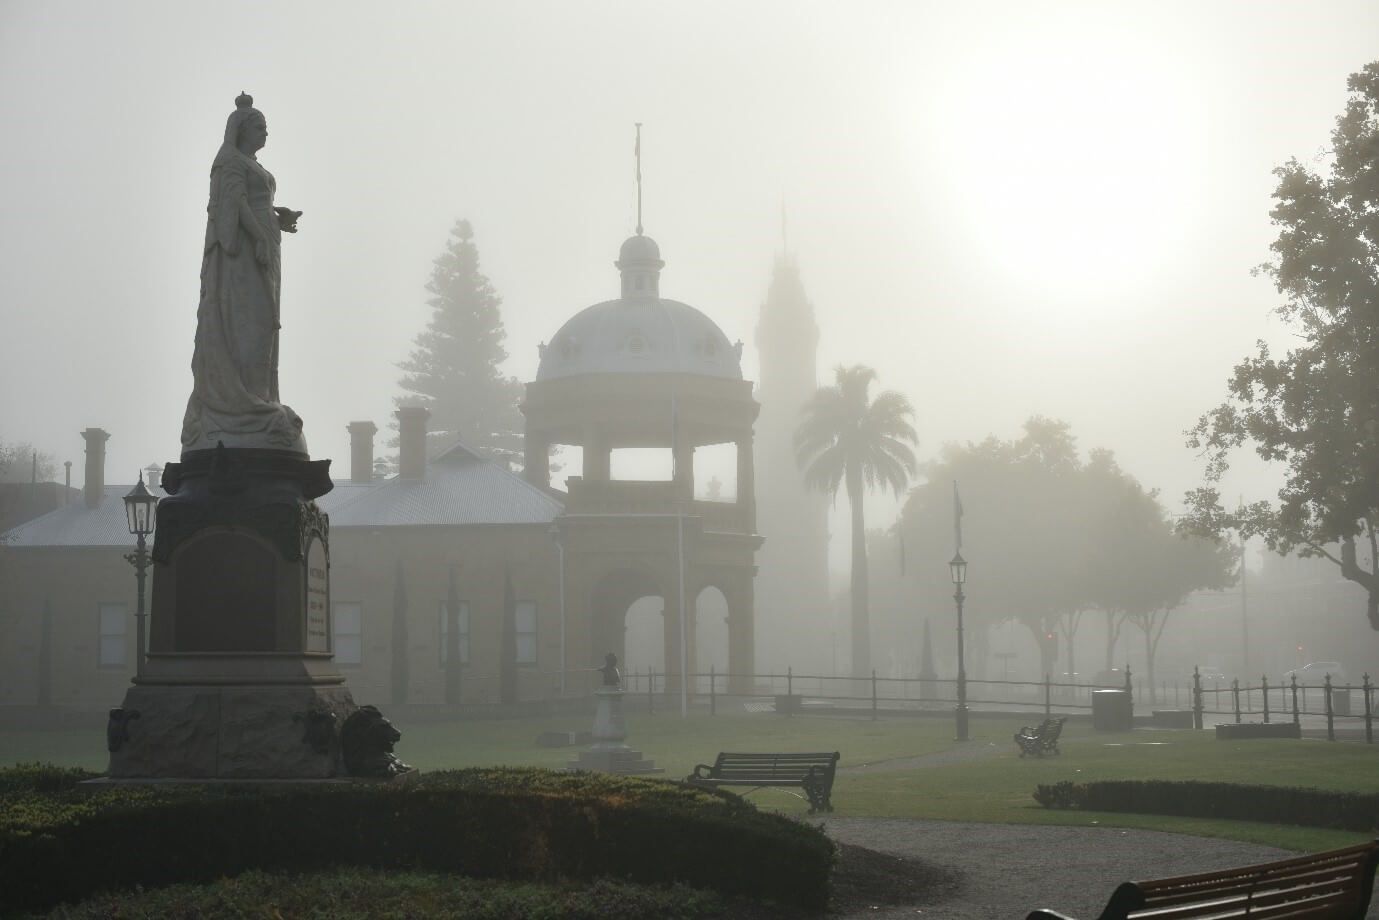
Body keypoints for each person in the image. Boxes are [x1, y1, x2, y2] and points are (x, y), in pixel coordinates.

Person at [182, 92, 307, 454]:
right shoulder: (229, 161)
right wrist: (258, 234)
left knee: (267, 323)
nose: (266, 134)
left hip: (264, 249)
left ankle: (263, 393)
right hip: (242, 259)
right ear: (241, 129)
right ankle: (243, 398)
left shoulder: (251, 162)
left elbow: (254, 199)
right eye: (260, 127)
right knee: (251, 321)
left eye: (267, 128)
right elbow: (233, 204)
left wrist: (276, 216)